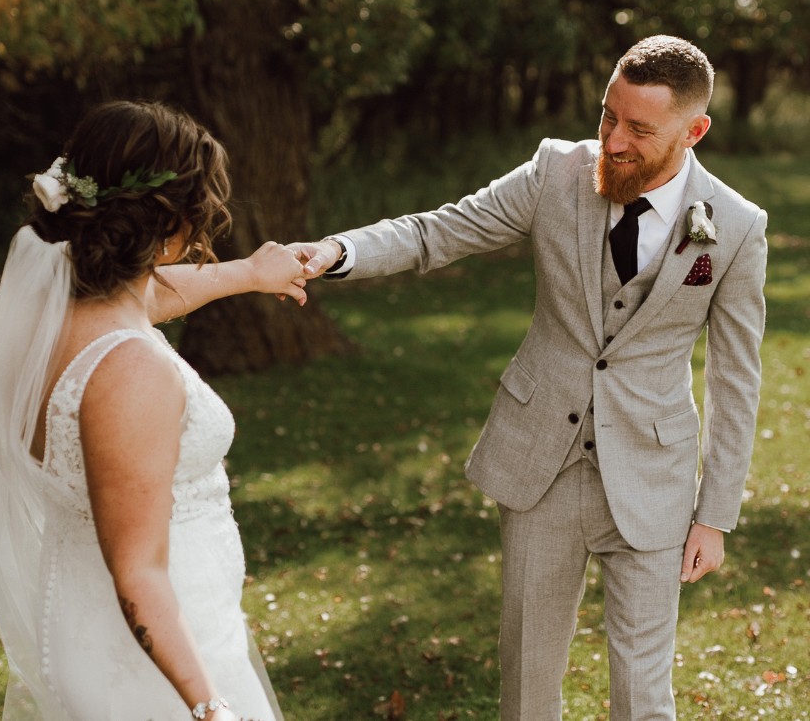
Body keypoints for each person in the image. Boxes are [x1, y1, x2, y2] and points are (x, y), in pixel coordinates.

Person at [293, 35, 768, 720]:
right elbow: (436, 233)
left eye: (639, 129)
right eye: (608, 116)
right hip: (538, 465)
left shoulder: (735, 225)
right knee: (526, 683)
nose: (613, 141)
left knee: (642, 693)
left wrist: (715, 515)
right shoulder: (555, 173)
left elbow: (736, 377)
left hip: (654, 482)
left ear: (693, 131)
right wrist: (337, 253)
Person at [0, 101, 306, 721]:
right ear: (170, 226)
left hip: (92, 629)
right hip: (155, 663)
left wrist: (250, 273)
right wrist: (208, 706)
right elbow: (137, 574)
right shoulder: (132, 372)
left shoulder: (40, 316)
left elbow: (148, 298)